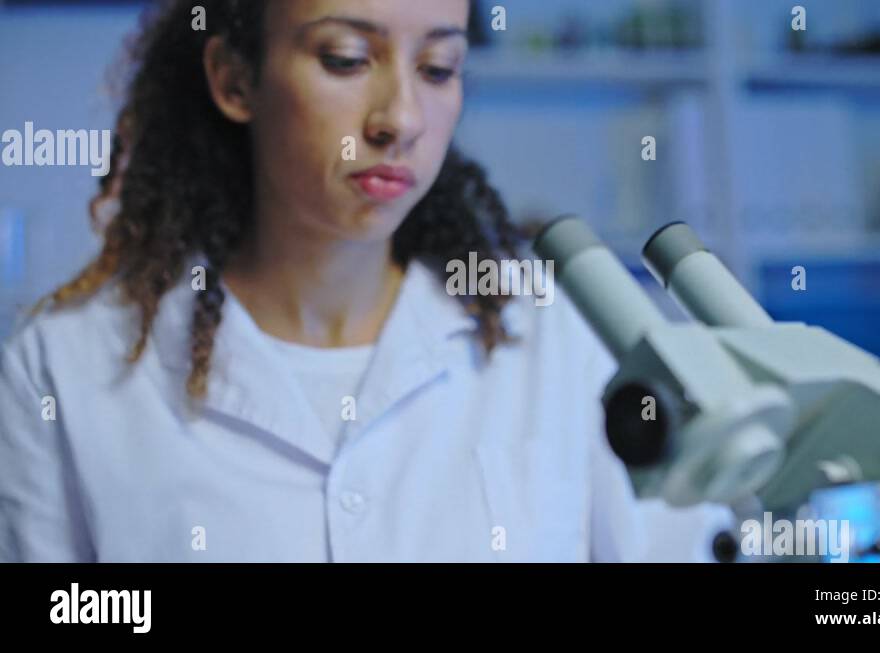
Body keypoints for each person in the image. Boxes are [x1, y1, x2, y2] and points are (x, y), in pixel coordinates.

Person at [0, 0, 728, 562]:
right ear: (234, 79)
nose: (401, 118)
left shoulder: (561, 332)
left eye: (439, 68)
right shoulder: (62, 370)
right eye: (346, 59)